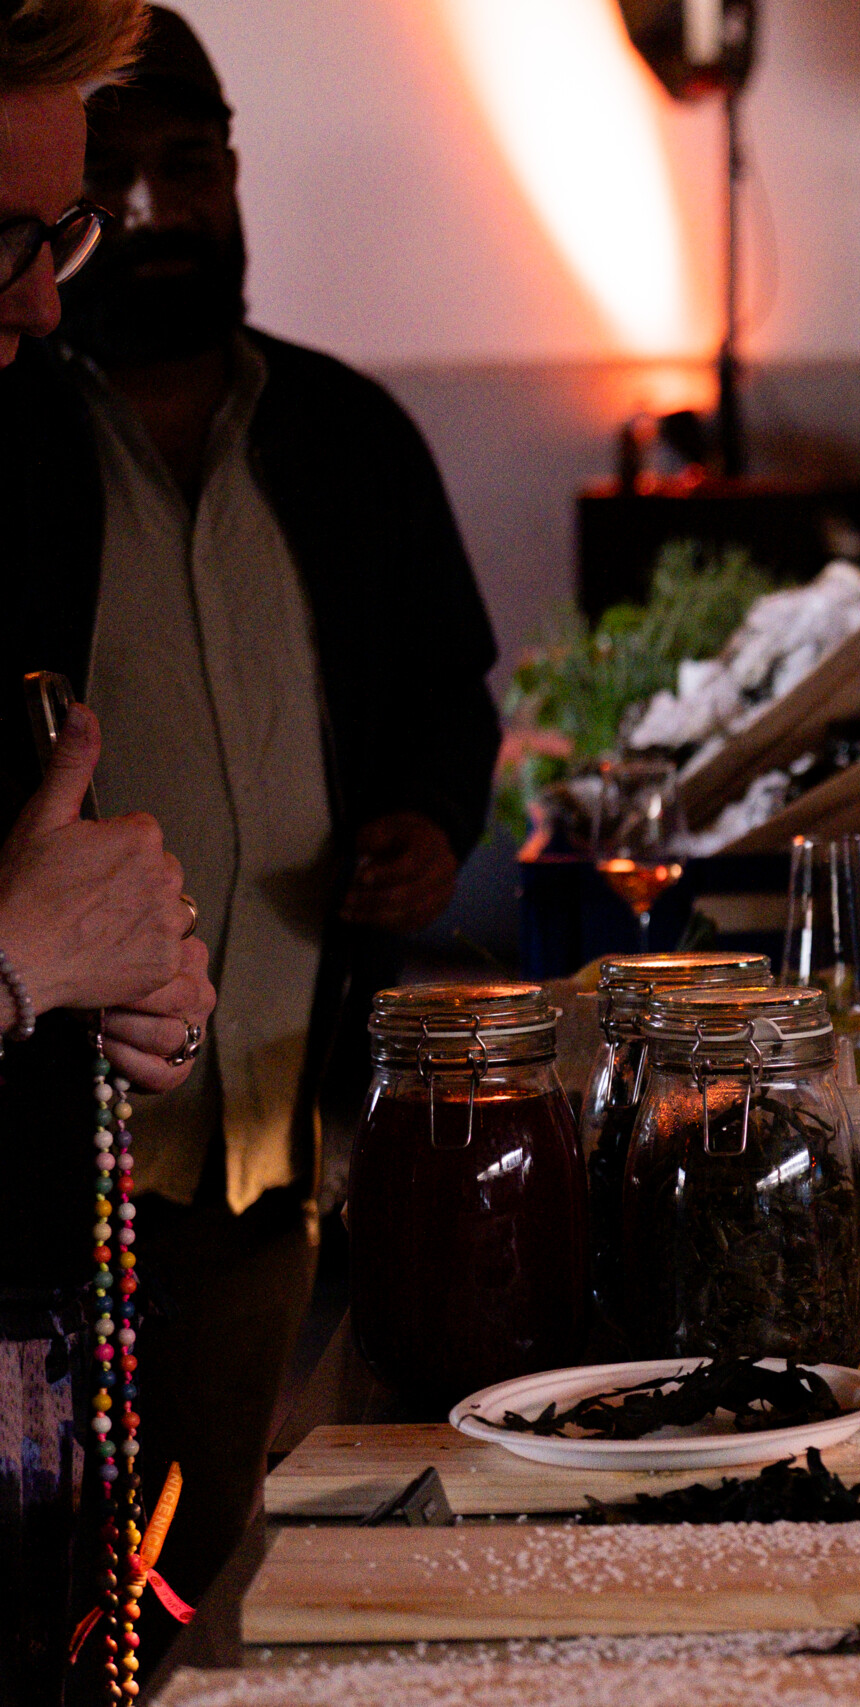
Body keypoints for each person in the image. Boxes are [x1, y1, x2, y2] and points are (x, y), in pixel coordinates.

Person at [0, 3, 502, 1615]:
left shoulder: (350, 437)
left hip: (270, 1127)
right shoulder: (12, 439)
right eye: (103, 192)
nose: (148, 217)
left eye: (182, 168)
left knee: (196, 1569)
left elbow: (449, 692)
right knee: (71, 1583)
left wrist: (432, 814)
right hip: (47, 1148)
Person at [0, 3, 217, 1697]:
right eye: (3, 239)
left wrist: (120, 973)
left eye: (54, 232)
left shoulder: (22, 454)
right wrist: (17, 967)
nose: (43, 296)